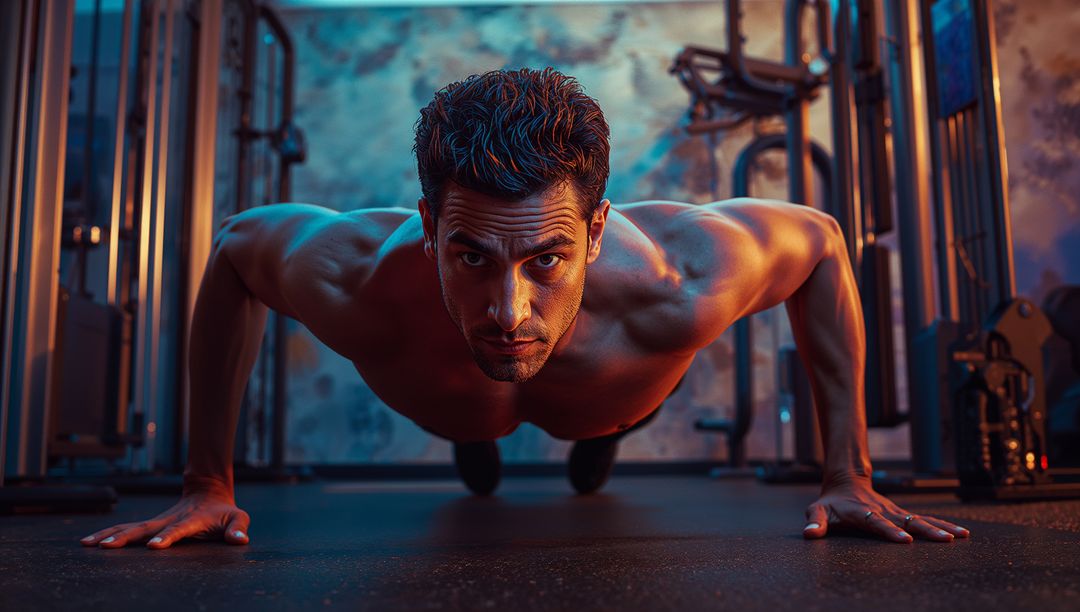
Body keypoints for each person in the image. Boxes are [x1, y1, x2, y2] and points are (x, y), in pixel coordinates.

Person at [81, 67, 969, 551]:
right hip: (447, 382)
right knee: (486, 374)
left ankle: (598, 439)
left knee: (574, 404)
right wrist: (207, 483)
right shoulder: (354, 276)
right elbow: (237, 244)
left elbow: (818, 238)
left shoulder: (682, 276)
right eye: (470, 255)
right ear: (428, 226)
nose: (508, 305)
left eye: (547, 258)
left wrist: (846, 472)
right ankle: (478, 428)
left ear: (596, 227)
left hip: (613, 391)